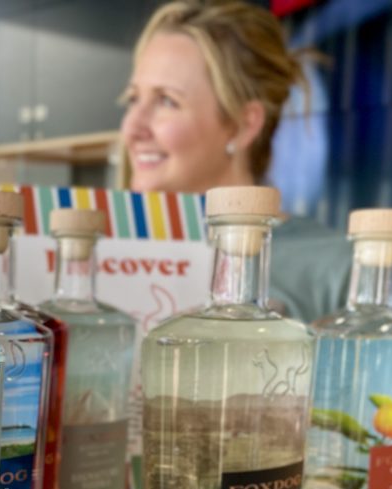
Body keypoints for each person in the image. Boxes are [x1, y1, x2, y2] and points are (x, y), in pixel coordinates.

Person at [120, 0, 350, 322]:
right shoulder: (111, 249)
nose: (132, 128)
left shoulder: (337, 268)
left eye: (167, 101)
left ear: (244, 125)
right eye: (134, 99)